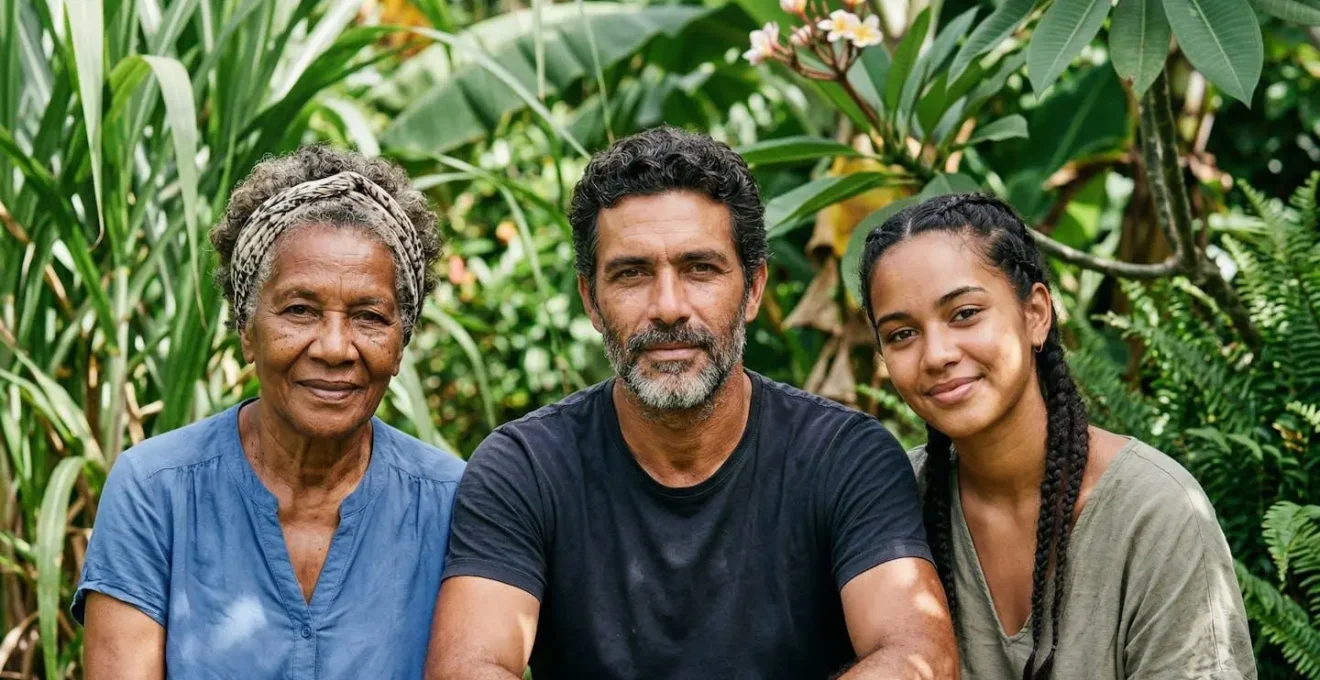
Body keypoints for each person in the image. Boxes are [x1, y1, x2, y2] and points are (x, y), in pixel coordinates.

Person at [425, 126, 957, 680]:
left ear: (752, 289)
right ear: (590, 300)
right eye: (632, 274)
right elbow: (469, 667)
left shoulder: (844, 457)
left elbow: (919, 657)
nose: (669, 307)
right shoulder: (526, 468)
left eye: (700, 269)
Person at [74, 145, 465, 680]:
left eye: (369, 316)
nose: (334, 347)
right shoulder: (155, 489)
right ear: (246, 331)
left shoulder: (455, 502)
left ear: (400, 345)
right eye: (299, 310)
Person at [857, 192, 1256, 679]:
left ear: (1036, 314)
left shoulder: (1155, 511)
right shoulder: (890, 504)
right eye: (902, 334)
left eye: (964, 313)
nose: (936, 353)